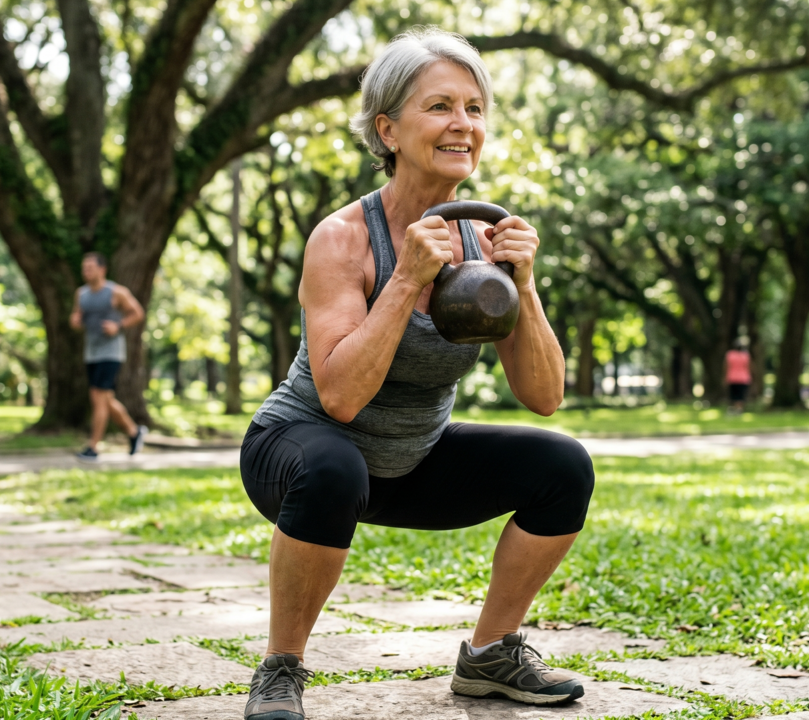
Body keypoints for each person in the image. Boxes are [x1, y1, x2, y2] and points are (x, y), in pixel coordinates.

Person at [238, 30, 594, 720]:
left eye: (474, 108)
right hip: (298, 450)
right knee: (335, 465)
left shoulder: (485, 246)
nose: (463, 124)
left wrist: (525, 285)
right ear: (388, 130)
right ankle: (280, 669)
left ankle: (490, 655)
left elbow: (544, 396)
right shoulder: (343, 238)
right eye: (439, 106)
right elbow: (340, 398)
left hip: (410, 460)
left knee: (563, 466)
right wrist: (405, 280)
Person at [70, 251, 147, 460]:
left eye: (90, 268)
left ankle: (93, 447)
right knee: (105, 399)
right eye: (84, 268)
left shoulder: (116, 292)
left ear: (102, 269)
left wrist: (118, 325)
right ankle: (134, 432)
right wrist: (75, 321)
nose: (86, 271)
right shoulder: (81, 294)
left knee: (98, 398)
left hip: (111, 352)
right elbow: (76, 317)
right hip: (91, 352)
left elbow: (137, 313)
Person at [725, 339, 751, 413]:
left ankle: (735, 409)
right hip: (743, 378)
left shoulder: (730, 355)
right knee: (741, 395)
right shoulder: (745, 355)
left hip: (732, 378)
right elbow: (748, 366)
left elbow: (726, 366)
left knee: (734, 395)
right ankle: (739, 409)